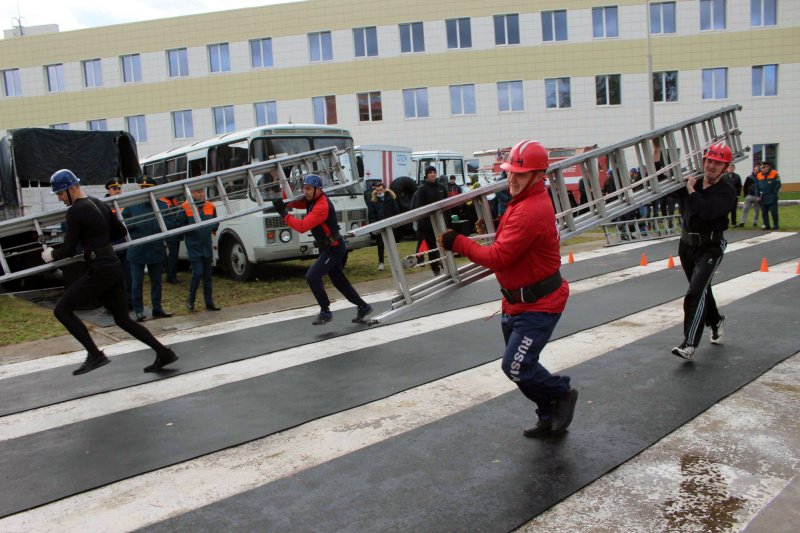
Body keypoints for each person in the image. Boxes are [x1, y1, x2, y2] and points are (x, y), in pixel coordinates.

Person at [437, 140, 577, 438]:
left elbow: (498, 257)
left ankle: (561, 393)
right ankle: (547, 412)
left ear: (539, 176)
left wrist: (458, 243)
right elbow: (511, 246)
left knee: (516, 366)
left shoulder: (530, 210)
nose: (511, 179)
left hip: (539, 304)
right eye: (509, 171)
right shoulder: (525, 201)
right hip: (517, 303)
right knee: (523, 367)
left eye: (520, 174)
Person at [41, 170, 178, 375]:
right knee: (122, 319)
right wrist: (99, 241)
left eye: (60, 193)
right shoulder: (99, 203)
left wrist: (51, 254)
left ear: (71, 189)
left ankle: (95, 354)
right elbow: (121, 232)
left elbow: (68, 250)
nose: (60, 198)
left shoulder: (75, 211)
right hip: (112, 265)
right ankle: (163, 352)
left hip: (100, 268)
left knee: (61, 310)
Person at [272, 174, 372, 325]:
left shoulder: (322, 205)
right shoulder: (310, 200)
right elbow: (291, 203)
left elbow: (302, 227)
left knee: (312, 276)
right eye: (304, 188)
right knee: (339, 281)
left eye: (308, 189)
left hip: (333, 248)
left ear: (318, 189)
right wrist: (283, 183)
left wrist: (282, 213)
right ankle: (363, 307)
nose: (305, 192)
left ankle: (325, 311)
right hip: (326, 247)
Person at [671, 142, 738, 360]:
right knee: (702, 290)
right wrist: (656, 152)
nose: (711, 166)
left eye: (717, 163)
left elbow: (708, 211)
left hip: (710, 247)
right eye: (709, 161)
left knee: (695, 292)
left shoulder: (727, 191)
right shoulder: (693, 182)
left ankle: (689, 344)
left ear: (726, 166)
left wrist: (691, 191)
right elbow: (662, 182)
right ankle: (716, 320)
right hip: (687, 246)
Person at [123, 176, 175, 322]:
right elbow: (124, 223)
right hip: (137, 249)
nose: (144, 190)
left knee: (156, 282)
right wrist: (135, 222)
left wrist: (161, 226)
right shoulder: (131, 205)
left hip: (155, 248)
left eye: (147, 187)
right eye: (142, 187)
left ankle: (157, 308)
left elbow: (171, 222)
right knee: (137, 282)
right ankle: (138, 310)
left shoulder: (162, 205)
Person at [177, 187, 221, 312]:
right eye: (198, 192)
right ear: (192, 193)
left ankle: (209, 302)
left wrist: (210, 228)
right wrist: (191, 231)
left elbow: (216, 222)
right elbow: (179, 224)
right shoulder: (185, 207)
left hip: (206, 244)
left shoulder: (210, 206)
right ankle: (191, 301)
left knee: (208, 276)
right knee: (197, 273)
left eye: (202, 192)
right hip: (194, 245)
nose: (201, 194)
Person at [413, 166, 448, 276]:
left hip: (441, 222)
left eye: (434, 172)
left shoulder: (441, 187)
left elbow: (447, 204)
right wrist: (421, 224)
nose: (433, 175)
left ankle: (446, 265)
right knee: (432, 246)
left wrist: (448, 221)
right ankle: (435, 269)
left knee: (445, 244)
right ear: (427, 174)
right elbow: (418, 206)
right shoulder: (422, 189)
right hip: (428, 224)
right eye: (430, 173)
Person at [104, 177, 133, 308]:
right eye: (114, 189)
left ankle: (129, 302)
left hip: (125, 246)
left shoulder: (125, 203)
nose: (117, 191)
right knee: (112, 278)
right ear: (108, 190)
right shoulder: (104, 205)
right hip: (112, 247)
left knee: (127, 276)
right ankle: (113, 304)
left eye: (119, 188)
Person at [367, 181, 400, 271]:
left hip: (390, 225)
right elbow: (371, 215)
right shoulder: (373, 202)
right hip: (379, 225)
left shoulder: (391, 199)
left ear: (384, 190)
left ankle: (395, 261)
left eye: (381, 190)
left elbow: (396, 211)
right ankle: (381, 262)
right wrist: (374, 225)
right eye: (378, 190)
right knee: (380, 245)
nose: (379, 192)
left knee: (392, 244)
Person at [159, 185, 183, 284]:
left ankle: (172, 274)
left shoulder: (173, 200)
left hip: (176, 231)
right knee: (173, 254)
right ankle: (171, 276)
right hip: (170, 231)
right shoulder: (163, 202)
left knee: (174, 254)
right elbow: (166, 219)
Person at [755, 161, 781, 230]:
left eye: (764, 167)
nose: (762, 169)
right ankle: (766, 225)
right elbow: (757, 186)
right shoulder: (759, 175)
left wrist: (774, 193)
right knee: (764, 212)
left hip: (771, 196)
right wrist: (757, 195)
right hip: (763, 196)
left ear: (768, 167)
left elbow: (778, 184)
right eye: (761, 168)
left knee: (774, 212)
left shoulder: (775, 173)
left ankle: (776, 225)